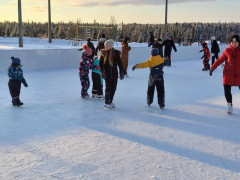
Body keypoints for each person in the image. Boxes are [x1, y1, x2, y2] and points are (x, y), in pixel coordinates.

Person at [209, 35, 240, 114]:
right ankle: (229, 105)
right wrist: (212, 67)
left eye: (236, 42)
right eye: (232, 42)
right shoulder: (227, 51)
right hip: (228, 74)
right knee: (226, 90)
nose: (234, 44)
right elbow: (220, 60)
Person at [99, 39, 124, 110]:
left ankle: (110, 101)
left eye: (107, 45)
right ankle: (107, 103)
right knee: (108, 89)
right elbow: (100, 64)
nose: (105, 46)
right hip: (107, 74)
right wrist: (102, 71)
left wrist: (121, 71)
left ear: (110, 46)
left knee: (113, 88)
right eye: (105, 45)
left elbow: (120, 63)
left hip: (114, 74)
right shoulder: (104, 53)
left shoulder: (115, 53)